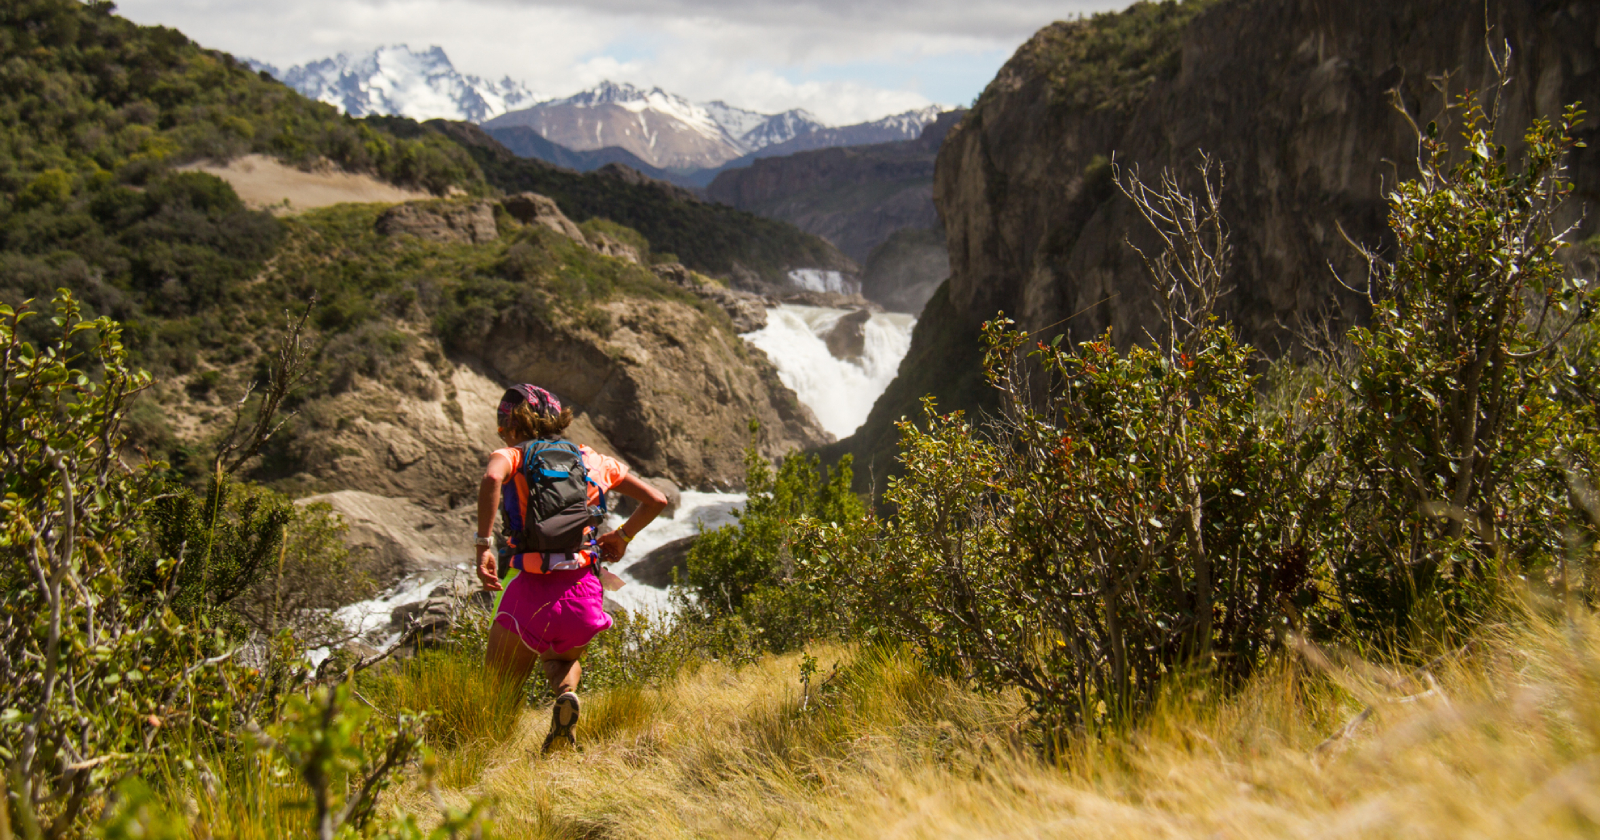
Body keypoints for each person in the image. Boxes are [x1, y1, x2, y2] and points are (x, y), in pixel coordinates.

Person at [474, 384, 667, 752]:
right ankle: (566, 696)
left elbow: (491, 478)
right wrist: (622, 536)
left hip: (527, 590)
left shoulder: (514, 454)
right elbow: (657, 499)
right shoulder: (592, 459)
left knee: (497, 690)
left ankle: (486, 762)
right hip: (582, 593)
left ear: (512, 423)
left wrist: (483, 544)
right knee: (560, 662)